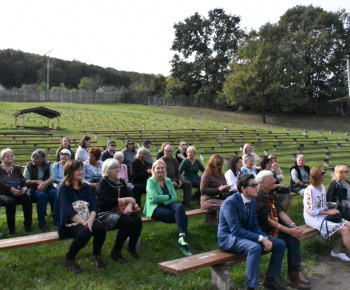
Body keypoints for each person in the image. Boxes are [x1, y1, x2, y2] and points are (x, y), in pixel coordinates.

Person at [217, 174, 286, 290]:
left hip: (244, 236)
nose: (257, 188)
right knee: (254, 248)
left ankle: (270, 280)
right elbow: (236, 230)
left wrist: (266, 238)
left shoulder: (252, 201)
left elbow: (254, 225)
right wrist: (261, 239)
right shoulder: (230, 203)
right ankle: (251, 287)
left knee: (280, 244)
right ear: (243, 188)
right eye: (253, 185)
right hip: (229, 238)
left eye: (257, 185)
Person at [256, 170, 310, 289]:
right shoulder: (258, 195)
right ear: (261, 182)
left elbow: (280, 212)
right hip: (264, 231)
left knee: (294, 235)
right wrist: (289, 230)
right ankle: (278, 278)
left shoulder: (271, 194)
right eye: (271, 179)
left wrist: (294, 226)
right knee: (287, 238)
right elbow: (268, 220)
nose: (274, 181)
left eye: (274, 178)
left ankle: (294, 273)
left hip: (273, 228)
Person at [56, 160, 106, 273]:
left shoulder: (85, 187)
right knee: (86, 231)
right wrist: (84, 223)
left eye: (81, 169)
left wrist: (90, 220)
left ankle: (97, 255)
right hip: (69, 223)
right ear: (70, 172)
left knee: (100, 228)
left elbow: (94, 205)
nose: (81, 172)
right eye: (77, 170)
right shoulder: (63, 188)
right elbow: (66, 209)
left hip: (88, 219)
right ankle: (70, 258)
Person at [96, 159, 142, 263]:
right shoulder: (103, 183)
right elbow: (106, 201)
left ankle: (132, 247)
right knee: (128, 221)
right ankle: (116, 252)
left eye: (118, 167)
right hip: (106, 212)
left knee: (137, 219)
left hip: (121, 210)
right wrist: (125, 200)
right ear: (107, 169)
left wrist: (129, 205)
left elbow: (129, 195)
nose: (117, 169)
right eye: (114, 168)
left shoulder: (120, 181)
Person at [143, 159, 192, 256]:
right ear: (154, 169)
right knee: (182, 216)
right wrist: (168, 197)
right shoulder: (151, 181)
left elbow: (174, 197)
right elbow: (155, 198)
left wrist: (165, 200)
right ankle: (183, 242)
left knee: (179, 207)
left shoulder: (168, 180)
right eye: (158, 168)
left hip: (166, 204)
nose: (160, 170)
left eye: (162, 168)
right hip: (155, 207)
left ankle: (181, 237)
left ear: (165, 169)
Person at [304, 166, 350, 262]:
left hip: (322, 214)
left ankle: (336, 251)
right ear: (317, 176)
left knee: (349, 224)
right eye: (323, 173)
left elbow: (322, 204)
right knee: (344, 230)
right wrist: (327, 212)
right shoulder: (310, 190)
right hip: (313, 217)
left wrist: (330, 210)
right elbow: (310, 210)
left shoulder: (322, 187)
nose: (325, 175)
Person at [0, 148, 32, 235]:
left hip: (18, 191)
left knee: (27, 198)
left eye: (12, 156)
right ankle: (11, 229)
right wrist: (11, 189)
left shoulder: (17, 168)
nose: (10, 157)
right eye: (7, 156)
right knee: (10, 202)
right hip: (3, 193)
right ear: (2, 158)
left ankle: (28, 226)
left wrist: (24, 187)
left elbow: (23, 179)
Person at [24, 149, 56, 232]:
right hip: (33, 188)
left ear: (42, 160)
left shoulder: (48, 164)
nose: (33, 160)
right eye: (32, 158)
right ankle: (42, 222)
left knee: (55, 193)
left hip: (47, 186)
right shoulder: (29, 165)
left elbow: (53, 177)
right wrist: (36, 181)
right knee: (42, 196)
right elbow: (25, 180)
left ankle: (56, 218)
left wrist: (44, 183)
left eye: (36, 158)